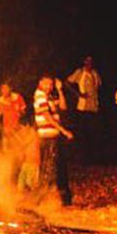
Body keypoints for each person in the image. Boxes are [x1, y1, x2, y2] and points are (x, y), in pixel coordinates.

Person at [33, 76, 73, 204]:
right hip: (47, 136)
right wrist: (64, 131)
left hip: (54, 136)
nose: (49, 87)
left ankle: (64, 198)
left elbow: (63, 106)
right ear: (40, 83)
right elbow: (47, 116)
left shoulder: (49, 96)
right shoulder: (40, 95)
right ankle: (39, 200)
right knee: (48, 168)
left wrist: (60, 90)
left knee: (59, 166)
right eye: (46, 84)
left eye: (51, 85)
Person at [66, 55, 102, 162]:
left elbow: (99, 86)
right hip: (82, 107)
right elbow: (67, 83)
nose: (89, 63)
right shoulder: (80, 72)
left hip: (94, 106)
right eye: (87, 61)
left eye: (91, 61)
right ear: (84, 62)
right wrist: (78, 94)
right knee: (82, 133)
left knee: (93, 132)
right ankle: (82, 158)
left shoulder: (95, 73)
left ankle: (92, 158)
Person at [0, 82, 28, 151]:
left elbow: (24, 113)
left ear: (10, 89)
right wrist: (3, 130)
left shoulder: (18, 97)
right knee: (7, 150)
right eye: (3, 89)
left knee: (21, 149)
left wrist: (20, 124)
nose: (4, 90)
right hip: (7, 130)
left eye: (6, 88)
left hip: (18, 129)